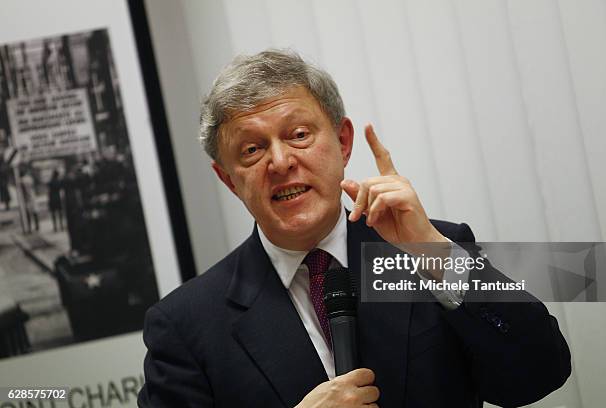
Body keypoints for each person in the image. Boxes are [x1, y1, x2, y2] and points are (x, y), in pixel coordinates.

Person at [138, 50, 570, 407]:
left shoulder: (434, 249)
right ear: (229, 179)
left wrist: (433, 254)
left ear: (343, 143)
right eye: (252, 149)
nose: (281, 162)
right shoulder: (185, 326)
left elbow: (540, 373)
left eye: (299, 134)